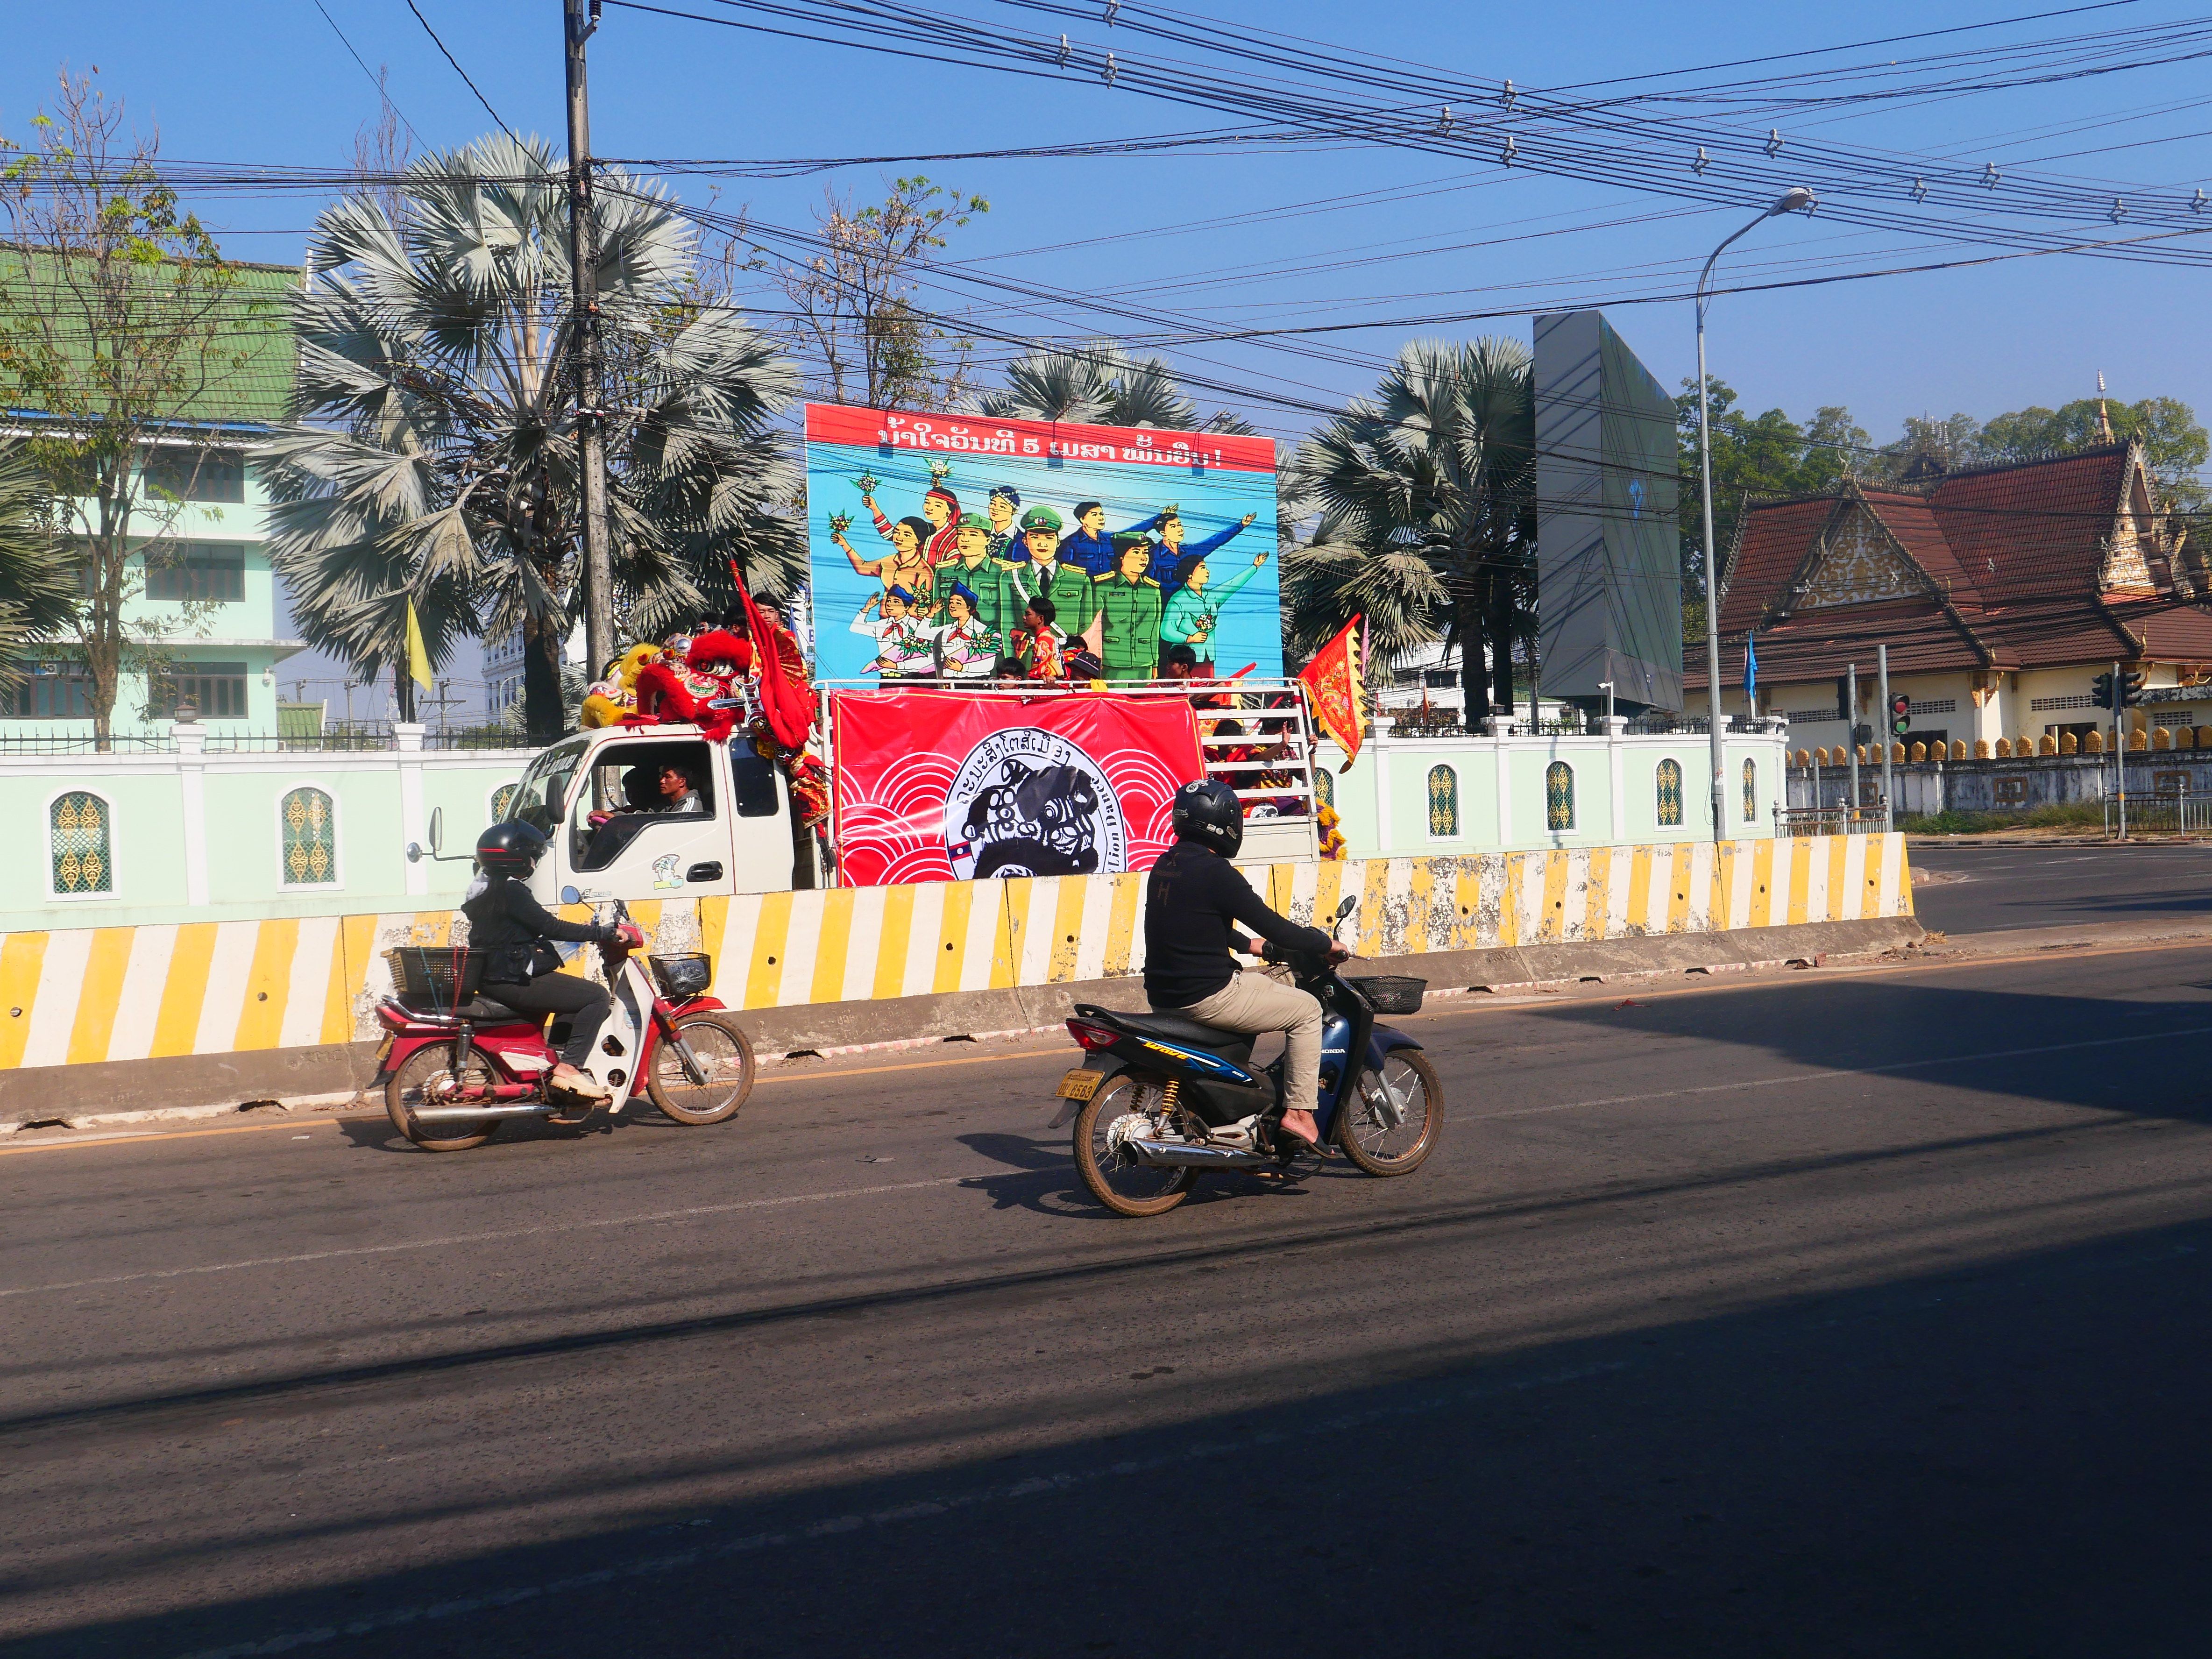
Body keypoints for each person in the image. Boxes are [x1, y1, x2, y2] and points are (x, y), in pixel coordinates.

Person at [1143, 780, 1345, 1155]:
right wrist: (1326, 944)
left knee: (1261, 986)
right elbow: (1275, 927)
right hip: (1208, 997)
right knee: (1307, 1010)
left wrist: (1247, 945)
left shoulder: (1166, 864)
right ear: (1226, 823)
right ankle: (1300, 1114)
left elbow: (1191, 921)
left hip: (1165, 997)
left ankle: (1235, 1110)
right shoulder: (1216, 872)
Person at [463, 822, 639, 1104]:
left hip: (494, 976)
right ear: (518, 857)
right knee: (595, 996)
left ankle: (554, 1059)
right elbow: (549, 926)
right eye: (533, 856)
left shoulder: (483, 889)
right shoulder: (511, 891)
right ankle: (569, 1067)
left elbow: (522, 929)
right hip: (510, 978)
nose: (534, 863)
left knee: (571, 994)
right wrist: (601, 933)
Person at [1161, 547, 1271, 661]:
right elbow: (1166, 631)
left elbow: (1232, 584)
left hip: (1208, 656)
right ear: (1190, 575)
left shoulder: (1212, 596)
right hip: (1183, 659)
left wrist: (1255, 567)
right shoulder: (1178, 599)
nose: (1208, 571)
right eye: (1203, 568)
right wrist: (1190, 638)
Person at [1091, 534, 1164, 681]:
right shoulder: (1103, 587)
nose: (1143, 558)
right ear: (1122, 557)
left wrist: (1155, 663)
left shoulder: (1153, 590)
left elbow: (1154, 630)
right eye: (1136, 552)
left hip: (1144, 662)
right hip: (1112, 662)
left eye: (1145, 553)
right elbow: (1093, 629)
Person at [836, 514, 933, 601]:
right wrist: (844, 545)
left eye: (906, 535)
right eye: (897, 532)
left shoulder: (924, 571)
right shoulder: (888, 561)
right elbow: (862, 568)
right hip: (883, 615)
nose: (899, 538)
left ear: (919, 541)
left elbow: (922, 604)